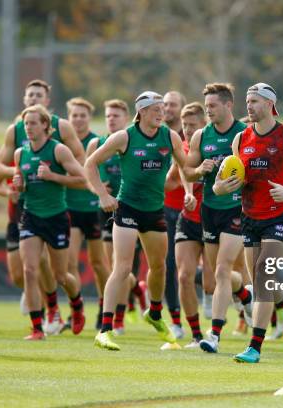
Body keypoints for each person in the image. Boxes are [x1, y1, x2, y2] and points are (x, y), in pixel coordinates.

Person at [224, 83, 283, 363]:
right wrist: (224, 186)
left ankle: (255, 346)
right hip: (249, 216)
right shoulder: (241, 139)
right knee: (258, 281)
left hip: (278, 217)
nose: (249, 106)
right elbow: (236, 178)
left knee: (264, 277)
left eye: (254, 101)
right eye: (247, 100)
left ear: (269, 104)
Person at [86, 91, 186, 351]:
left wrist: (206, 173)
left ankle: (154, 313)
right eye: (156, 109)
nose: (161, 113)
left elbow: (188, 168)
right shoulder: (124, 137)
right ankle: (105, 330)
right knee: (122, 267)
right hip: (127, 208)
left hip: (154, 210)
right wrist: (102, 195)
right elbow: (90, 163)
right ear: (141, 112)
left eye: (163, 109)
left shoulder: (170, 136)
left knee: (159, 267)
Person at [0, 79, 85, 332]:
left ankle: (76, 305)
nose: (28, 128)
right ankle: (38, 328)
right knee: (29, 270)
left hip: (56, 215)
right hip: (29, 215)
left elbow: (82, 177)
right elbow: (6, 175)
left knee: (61, 275)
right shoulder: (19, 151)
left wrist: (54, 176)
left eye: (33, 123)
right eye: (26, 124)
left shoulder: (59, 148)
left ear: (46, 123)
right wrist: (18, 183)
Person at [182, 83, 253, 354]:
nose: (208, 110)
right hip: (209, 210)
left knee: (223, 269)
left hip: (237, 210)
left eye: (212, 106)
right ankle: (244, 294)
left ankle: (214, 335)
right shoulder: (201, 136)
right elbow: (187, 171)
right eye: (206, 106)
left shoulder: (245, 134)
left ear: (227, 105)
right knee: (216, 279)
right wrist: (201, 169)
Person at [65, 97, 112, 331]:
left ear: (89, 118)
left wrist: (101, 187)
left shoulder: (96, 142)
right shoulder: (62, 143)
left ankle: (105, 307)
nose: (79, 119)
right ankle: (77, 306)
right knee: (69, 262)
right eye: (75, 115)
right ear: (69, 117)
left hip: (94, 209)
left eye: (83, 115)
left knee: (98, 263)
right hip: (70, 208)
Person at [169, 102, 212, 348]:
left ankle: (242, 295)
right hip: (188, 218)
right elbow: (178, 178)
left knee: (211, 282)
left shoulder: (214, 146)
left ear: (203, 126)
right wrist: (187, 192)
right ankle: (196, 335)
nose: (186, 129)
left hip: (214, 219)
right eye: (184, 125)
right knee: (183, 275)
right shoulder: (181, 150)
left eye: (192, 125)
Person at [162, 90, 187, 339]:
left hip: (193, 209)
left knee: (208, 273)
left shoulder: (188, 136)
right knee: (168, 265)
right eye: (165, 104)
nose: (167, 108)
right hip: (163, 209)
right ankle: (176, 321)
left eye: (172, 105)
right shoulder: (155, 135)